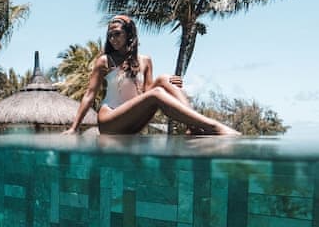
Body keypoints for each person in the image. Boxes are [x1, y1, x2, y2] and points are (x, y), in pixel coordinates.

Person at [66, 15, 240, 136]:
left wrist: (169, 83)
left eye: (117, 33)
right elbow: (89, 95)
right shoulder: (105, 61)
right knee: (157, 93)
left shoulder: (145, 60)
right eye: (110, 35)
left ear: (129, 34)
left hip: (134, 123)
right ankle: (213, 126)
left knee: (163, 79)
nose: (113, 39)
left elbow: (146, 93)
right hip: (110, 121)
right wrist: (74, 128)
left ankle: (192, 126)